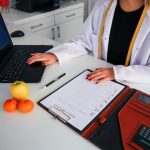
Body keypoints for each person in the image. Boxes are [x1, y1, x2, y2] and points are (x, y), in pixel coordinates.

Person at [27, 0, 150, 84]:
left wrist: (116, 73)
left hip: (134, 83)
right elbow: (83, 42)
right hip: (99, 79)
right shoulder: (102, 6)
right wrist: (56, 55)